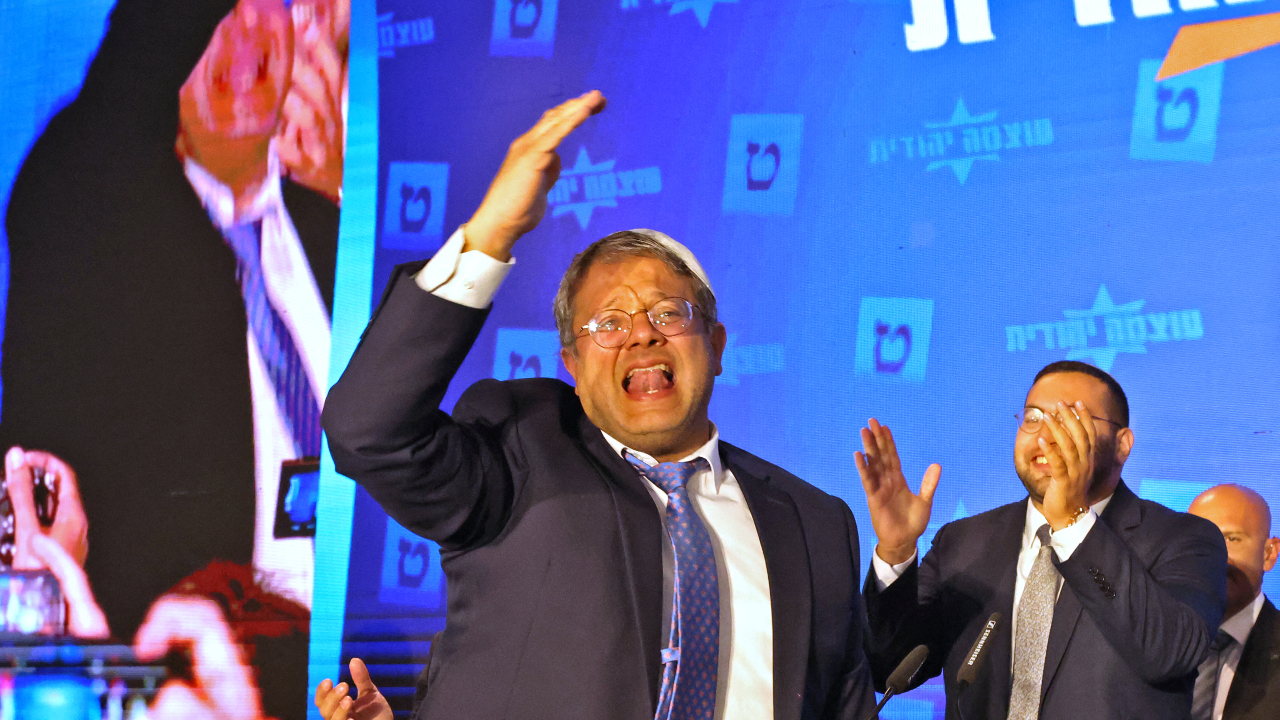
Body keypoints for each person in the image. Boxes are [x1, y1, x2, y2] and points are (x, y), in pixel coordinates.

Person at [316, 90, 878, 720]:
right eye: (607, 324)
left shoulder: (816, 523)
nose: (642, 334)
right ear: (573, 369)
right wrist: (491, 234)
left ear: (716, 346)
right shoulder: (520, 449)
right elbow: (367, 430)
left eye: (669, 313)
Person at [2, 0, 345, 716]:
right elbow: (129, 77)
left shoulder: (344, 234)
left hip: (377, 671)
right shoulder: (94, 215)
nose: (243, 33)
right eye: (218, 15)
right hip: (201, 679)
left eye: (270, 8)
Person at [857, 360, 1227, 720]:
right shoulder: (964, 541)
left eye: (1070, 420)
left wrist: (1071, 520)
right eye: (1033, 418)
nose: (1046, 436)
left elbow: (1168, 653)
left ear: (1122, 444)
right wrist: (897, 551)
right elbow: (888, 667)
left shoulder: (1184, 539)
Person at [1188, 484, 1280, 720]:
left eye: (1232, 539)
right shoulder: (1155, 640)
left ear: (1269, 554)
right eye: (1200, 541)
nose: (1215, 556)